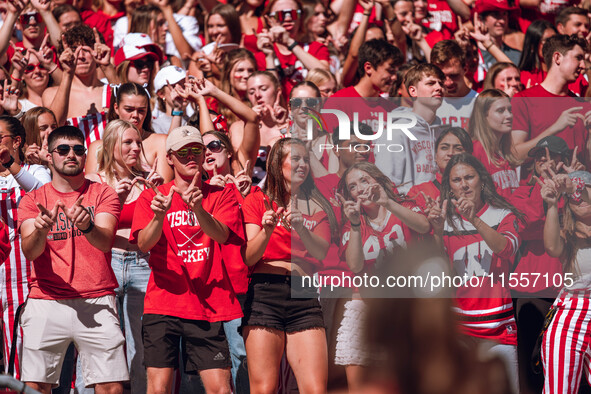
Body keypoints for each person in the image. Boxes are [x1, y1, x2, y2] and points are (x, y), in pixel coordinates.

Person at [130, 125, 243, 394]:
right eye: (183, 153)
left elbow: (222, 235)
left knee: (221, 390)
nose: (191, 157)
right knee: (158, 389)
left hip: (207, 306)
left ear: (204, 155)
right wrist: (159, 216)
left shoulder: (221, 194)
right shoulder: (153, 196)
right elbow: (144, 243)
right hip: (163, 303)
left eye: (196, 151)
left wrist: (199, 209)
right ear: (170, 157)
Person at [18, 125, 128, 393]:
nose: (71, 155)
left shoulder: (103, 193)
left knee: (111, 387)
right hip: (46, 299)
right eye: (63, 149)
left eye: (78, 150)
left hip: (97, 299)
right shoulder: (32, 200)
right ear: (49, 155)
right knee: (35, 387)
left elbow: (105, 242)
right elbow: (29, 251)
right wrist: (41, 231)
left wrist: (88, 226)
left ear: (85, 154)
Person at [242, 137, 337, 393]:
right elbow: (249, 256)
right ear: (276, 164)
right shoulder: (256, 200)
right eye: (295, 158)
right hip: (265, 291)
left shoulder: (317, 204)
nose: (302, 164)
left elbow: (321, 250)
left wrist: (301, 229)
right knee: (264, 388)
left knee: (315, 388)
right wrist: (267, 230)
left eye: (306, 159)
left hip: (304, 292)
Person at [426, 153, 524, 393]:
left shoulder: (503, 215)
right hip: (459, 329)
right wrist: (438, 232)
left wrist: (475, 220)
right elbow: (439, 270)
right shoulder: (445, 220)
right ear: (448, 187)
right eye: (456, 180)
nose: (464, 184)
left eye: (469, 177)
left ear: (482, 180)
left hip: (499, 330)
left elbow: (506, 249)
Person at [335, 162, 430, 391]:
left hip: (406, 308)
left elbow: (424, 226)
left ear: (378, 181)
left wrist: (387, 202)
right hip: (366, 308)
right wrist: (356, 224)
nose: (360, 189)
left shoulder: (403, 207)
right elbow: (355, 265)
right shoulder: (351, 227)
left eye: (364, 180)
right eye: (353, 186)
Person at [86, 119, 152, 394]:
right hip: (107, 261)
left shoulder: (147, 180)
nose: (135, 148)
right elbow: (89, 228)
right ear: (111, 144)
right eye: (128, 142)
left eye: (138, 142)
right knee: (100, 343)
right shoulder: (94, 182)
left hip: (141, 263)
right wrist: (117, 199)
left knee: (141, 347)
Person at [0, 116, 51, 381]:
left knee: (21, 344)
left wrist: (10, 165)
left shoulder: (36, 171)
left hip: (24, 268)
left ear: (17, 141)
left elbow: (42, 194)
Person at [539, 170, 591, 394]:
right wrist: (552, 204)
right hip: (571, 313)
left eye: (583, 188)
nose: (577, 196)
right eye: (572, 196)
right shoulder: (567, 232)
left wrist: (572, 186)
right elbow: (551, 248)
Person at [511, 34, 591, 168]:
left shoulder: (585, 106)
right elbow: (515, 156)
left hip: (577, 187)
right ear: (557, 58)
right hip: (536, 187)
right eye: (578, 58)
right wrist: (555, 128)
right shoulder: (523, 100)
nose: (583, 66)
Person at [374, 63, 444, 194]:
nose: (439, 88)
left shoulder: (443, 134)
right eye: (431, 83)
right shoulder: (395, 132)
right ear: (413, 91)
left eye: (441, 83)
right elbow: (387, 185)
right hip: (408, 210)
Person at [86, 82, 174, 183]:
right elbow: (90, 191)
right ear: (116, 108)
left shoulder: (160, 142)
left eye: (141, 110)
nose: (135, 115)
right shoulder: (97, 147)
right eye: (129, 109)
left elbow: (163, 189)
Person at [42, 24, 113, 146]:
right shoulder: (51, 93)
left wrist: (107, 67)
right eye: (74, 50)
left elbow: (129, 108)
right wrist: (68, 72)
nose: (80, 56)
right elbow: (54, 127)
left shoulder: (111, 90)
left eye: (87, 49)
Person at [255, 0, 330, 96]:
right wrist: (269, 57)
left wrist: (290, 43)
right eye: (281, 14)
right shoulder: (262, 56)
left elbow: (326, 77)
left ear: (301, 17)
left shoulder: (316, 48)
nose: (288, 18)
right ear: (269, 19)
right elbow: (270, 96)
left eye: (294, 14)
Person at [468, 89, 520, 197]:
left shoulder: (506, 152)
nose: (509, 116)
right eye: (500, 111)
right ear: (483, 116)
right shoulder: (475, 150)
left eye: (509, 110)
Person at [407, 126, 473, 210]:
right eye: (444, 148)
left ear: (469, 156)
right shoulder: (419, 192)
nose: (450, 153)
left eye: (458, 149)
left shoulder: (478, 191)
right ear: (435, 156)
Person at [431, 40, 478, 129]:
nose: (448, 82)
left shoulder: (481, 104)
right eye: (442, 76)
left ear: (465, 69)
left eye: (454, 75)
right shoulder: (427, 105)